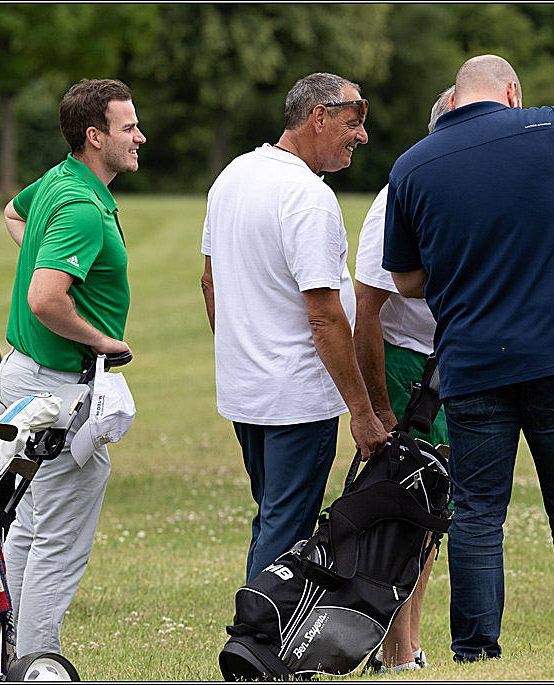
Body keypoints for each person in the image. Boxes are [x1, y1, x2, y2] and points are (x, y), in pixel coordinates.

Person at [382, 55, 554, 662]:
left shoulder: (410, 167)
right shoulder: (547, 127)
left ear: (453, 100)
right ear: (511, 92)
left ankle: (476, 650)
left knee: (480, 511)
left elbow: (404, 279)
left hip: (473, 361)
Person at [0, 78, 144, 679]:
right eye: (128, 127)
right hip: (57, 390)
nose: (139, 136)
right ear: (96, 137)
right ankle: (34, 664)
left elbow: (16, 213)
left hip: (21, 376)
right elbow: (45, 299)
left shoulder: (62, 178)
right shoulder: (83, 207)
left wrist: (44, 259)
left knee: (25, 526)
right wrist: (103, 339)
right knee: (59, 540)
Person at [200, 72, 391, 583]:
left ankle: (257, 638)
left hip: (248, 393)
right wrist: (362, 411)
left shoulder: (233, 175)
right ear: (319, 116)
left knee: (271, 519)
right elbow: (324, 315)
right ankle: (263, 649)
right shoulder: (307, 196)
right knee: (287, 533)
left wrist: (244, 354)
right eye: (354, 123)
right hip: (295, 400)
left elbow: (209, 282)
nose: (363, 136)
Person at [352, 86, 454, 673]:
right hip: (410, 365)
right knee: (408, 508)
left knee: (433, 512)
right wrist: (376, 408)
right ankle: (398, 651)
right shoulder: (397, 196)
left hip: (455, 360)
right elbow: (367, 310)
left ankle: (405, 646)